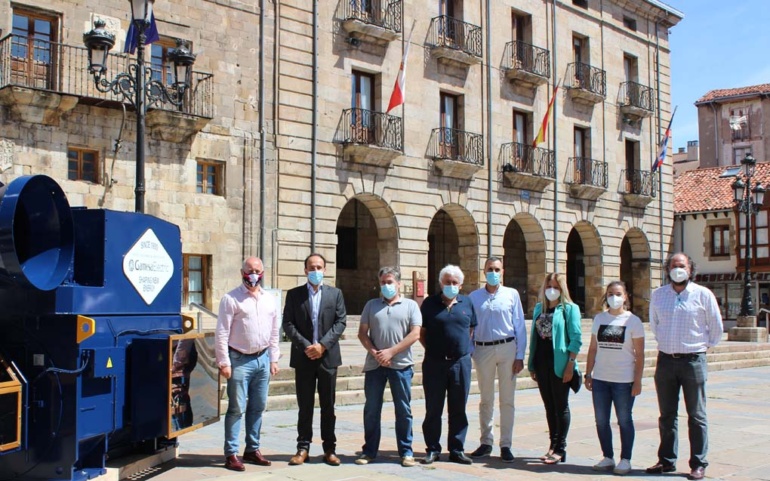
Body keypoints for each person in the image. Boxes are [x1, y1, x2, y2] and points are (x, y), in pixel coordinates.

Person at [646, 253, 723, 481]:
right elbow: (654, 325)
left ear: (690, 270)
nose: (677, 269)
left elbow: (716, 327)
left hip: (693, 361)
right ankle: (666, 460)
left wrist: (700, 348)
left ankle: (698, 463)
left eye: (681, 266)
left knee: (696, 415)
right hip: (666, 360)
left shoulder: (703, 294)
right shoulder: (658, 295)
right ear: (667, 269)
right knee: (666, 415)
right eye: (673, 265)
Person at [215, 257, 280, 472]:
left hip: (262, 359)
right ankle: (231, 453)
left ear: (263, 272)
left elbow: (273, 332)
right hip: (239, 359)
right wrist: (224, 362)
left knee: (258, 407)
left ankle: (252, 449)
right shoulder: (231, 299)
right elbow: (222, 332)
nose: (254, 274)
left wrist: (273, 358)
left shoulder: (269, 299)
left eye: (258, 270)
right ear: (242, 271)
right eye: (250, 270)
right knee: (236, 408)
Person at [282, 253, 347, 466]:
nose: (316, 271)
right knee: (305, 405)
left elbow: (340, 322)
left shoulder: (335, 294)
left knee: (328, 405)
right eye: (312, 267)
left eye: (319, 267)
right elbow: (288, 324)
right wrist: (307, 346)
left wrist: (323, 345)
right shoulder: (294, 295)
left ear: (325, 270)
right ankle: (303, 448)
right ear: (305, 271)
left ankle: (330, 448)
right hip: (304, 357)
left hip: (327, 358)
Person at [355, 267, 422, 467]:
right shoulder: (371, 305)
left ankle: (406, 451)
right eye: (383, 282)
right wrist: (375, 352)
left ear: (399, 284)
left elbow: (415, 334)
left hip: (400, 365)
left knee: (403, 409)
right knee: (372, 409)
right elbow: (362, 333)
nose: (387, 286)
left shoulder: (410, 305)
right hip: (375, 365)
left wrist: (391, 352)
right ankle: (369, 451)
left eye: (390, 282)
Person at [468, 257, 527, 462]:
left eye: (497, 269)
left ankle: (506, 443)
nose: (493, 272)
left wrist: (520, 355)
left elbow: (519, 324)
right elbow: (470, 327)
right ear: (483, 271)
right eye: (489, 269)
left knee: (507, 399)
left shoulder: (511, 294)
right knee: (486, 398)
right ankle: (486, 441)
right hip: (483, 349)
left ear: (503, 271)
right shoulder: (474, 297)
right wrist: (470, 351)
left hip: (507, 347)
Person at [585, 281, 645, 475]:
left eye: (618, 293)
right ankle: (608, 456)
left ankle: (625, 459)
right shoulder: (599, 319)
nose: (614, 297)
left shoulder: (633, 321)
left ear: (625, 296)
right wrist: (588, 373)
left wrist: (637, 380)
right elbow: (593, 348)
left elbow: (640, 354)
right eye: (610, 293)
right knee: (601, 420)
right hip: (601, 378)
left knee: (624, 420)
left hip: (624, 380)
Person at [419, 264, 477, 465]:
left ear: (460, 285)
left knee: (458, 408)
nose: (450, 285)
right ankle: (433, 448)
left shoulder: (467, 303)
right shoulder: (429, 304)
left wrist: (458, 350)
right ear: (440, 283)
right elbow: (422, 332)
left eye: (454, 283)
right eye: (447, 282)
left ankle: (457, 448)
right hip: (435, 363)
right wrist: (436, 350)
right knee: (433, 408)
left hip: (460, 363)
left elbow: (470, 330)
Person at [527, 272, 582, 465]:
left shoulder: (569, 309)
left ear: (562, 289)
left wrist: (570, 364)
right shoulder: (539, 309)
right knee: (549, 406)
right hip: (541, 363)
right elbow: (534, 338)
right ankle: (552, 445)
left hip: (560, 363)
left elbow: (576, 339)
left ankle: (561, 448)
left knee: (561, 406)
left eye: (556, 287)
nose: (552, 290)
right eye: (549, 286)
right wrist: (532, 364)